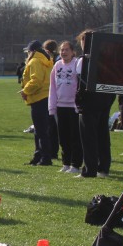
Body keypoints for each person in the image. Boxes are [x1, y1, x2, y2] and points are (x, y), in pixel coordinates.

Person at [75, 29, 113, 178]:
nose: (83, 44)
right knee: (102, 134)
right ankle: (103, 168)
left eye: (84, 41)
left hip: (89, 101)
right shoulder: (107, 59)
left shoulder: (84, 60)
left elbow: (80, 83)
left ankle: (89, 170)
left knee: (89, 136)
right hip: (104, 100)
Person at [48, 40, 83, 174]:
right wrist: (52, 106)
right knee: (63, 137)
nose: (64, 52)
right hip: (60, 106)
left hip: (73, 107)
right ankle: (66, 163)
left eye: (66, 49)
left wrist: (78, 104)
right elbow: (52, 87)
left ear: (73, 52)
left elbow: (80, 86)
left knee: (75, 136)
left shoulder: (77, 64)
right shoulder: (57, 65)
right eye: (62, 50)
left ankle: (75, 164)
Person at [21, 40, 53, 166]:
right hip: (46, 96)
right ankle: (39, 156)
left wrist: (25, 90)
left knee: (40, 131)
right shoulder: (47, 60)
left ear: (32, 51)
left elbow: (36, 80)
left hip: (38, 97)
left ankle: (44, 157)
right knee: (41, 130)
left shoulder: (35, 61)